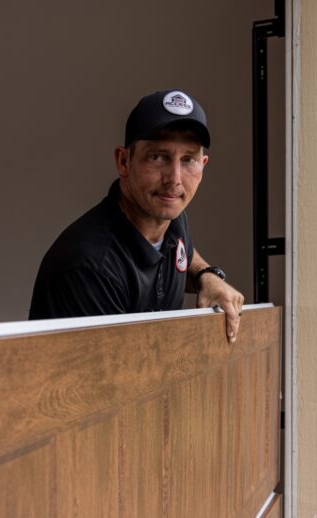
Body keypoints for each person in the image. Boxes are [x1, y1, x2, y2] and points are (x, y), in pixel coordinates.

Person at [28, 89, 245, 342]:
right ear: (124, 161)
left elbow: (180, 254)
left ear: (203, 166)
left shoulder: (172, 219)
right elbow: (110, 378)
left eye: (188, 160)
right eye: (158, 157)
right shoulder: (91, 267)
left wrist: (205, 275)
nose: (174, 179)